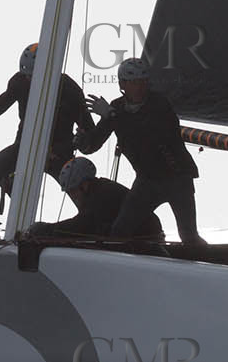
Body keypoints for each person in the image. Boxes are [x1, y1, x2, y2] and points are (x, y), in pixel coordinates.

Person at [78, 57, 205, 246]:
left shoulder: (159, 104)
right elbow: (94, 144)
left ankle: (209, 262)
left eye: (143, 82)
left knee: (188, 235)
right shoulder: (118, 108)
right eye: (134, 83)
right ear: (122, 84)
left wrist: (111, 115)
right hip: (147, 181)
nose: (139, 87)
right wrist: (81, 140)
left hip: (177, 178)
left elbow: (146, 136)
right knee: (119, 232)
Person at [0, 42, 95, 197]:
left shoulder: (69, 89)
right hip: (26, 144)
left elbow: (90, 131)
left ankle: (91, 215)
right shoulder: (20, 81)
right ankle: (19, 205)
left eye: (32, 76)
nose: (29, 79)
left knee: (75, 183)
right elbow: (1, 105)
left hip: (58, 150)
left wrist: (78, 142)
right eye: (26, 75)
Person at [27, 157, 166, 243]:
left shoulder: (102, 195)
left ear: (84, 185)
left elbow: (83, 225)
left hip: (146, 241)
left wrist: (45, 229)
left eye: (73, 191)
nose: (73, 196)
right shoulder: (99, 189)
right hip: (145, 236)